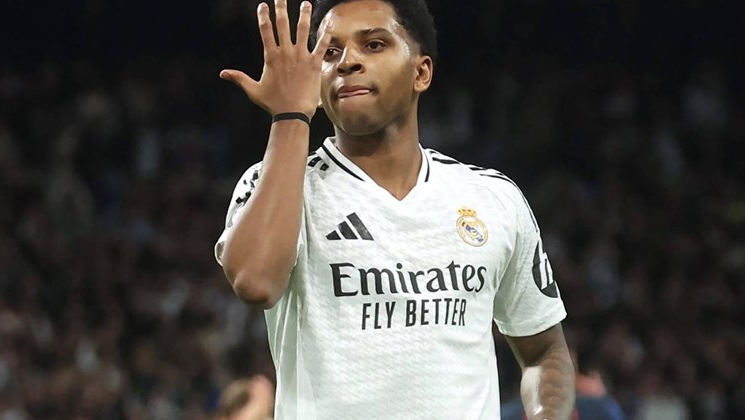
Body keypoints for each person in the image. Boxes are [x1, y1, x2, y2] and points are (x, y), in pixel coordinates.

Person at [214, 0, 575, 418]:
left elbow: (544, 351)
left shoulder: (492, 197)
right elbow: (256, 282)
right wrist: (290, 116)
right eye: (330, 52)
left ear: (421, 73)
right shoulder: (278, 185)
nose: (347, 61)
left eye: (373, 44)